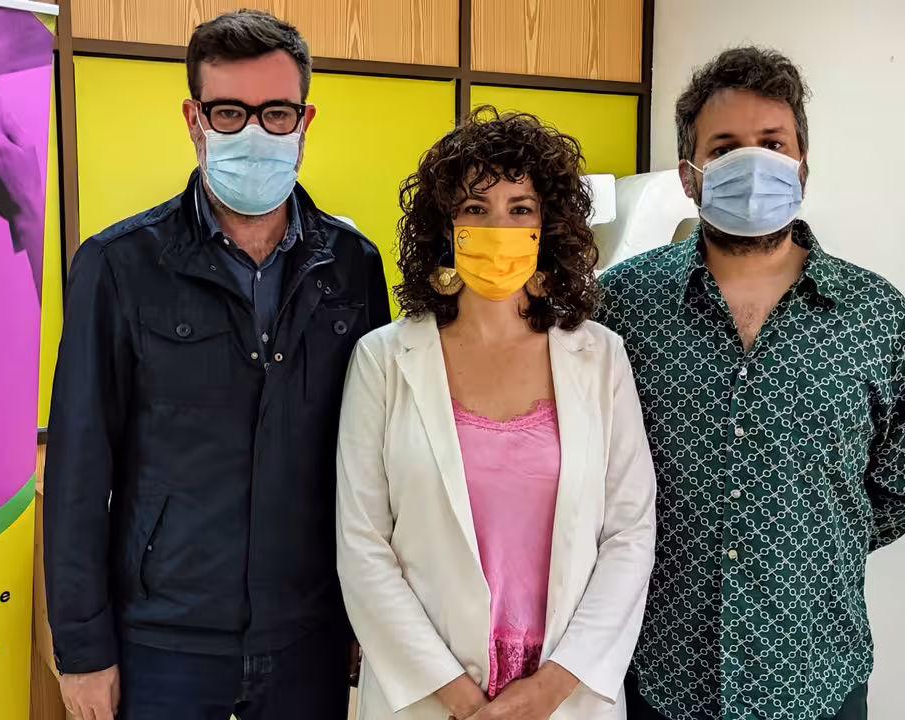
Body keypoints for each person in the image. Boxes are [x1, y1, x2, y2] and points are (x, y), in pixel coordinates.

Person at [43, 9, 391, 720]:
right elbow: (79, 468)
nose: (254, 133)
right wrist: (81, 649)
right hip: (163, 641)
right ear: (194, 120)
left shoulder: (353, 267)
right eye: (230, 112)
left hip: (309, 635)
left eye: (276, 112)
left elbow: (375, 458)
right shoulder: (118, 266)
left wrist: (367, 619)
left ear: (305, 121)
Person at [597, 47, 905, 720]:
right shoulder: (622, 306)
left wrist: (806, 540)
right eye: (726, 148)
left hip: (815, 676)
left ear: (802, 166)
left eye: (772, 144)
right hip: (660, 675)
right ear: (689, 176)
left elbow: (897, 485)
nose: (754, 163)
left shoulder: (876, 315)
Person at [336, 106, 656, 720]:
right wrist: (460, 698)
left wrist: (550, 688)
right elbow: (363, 545)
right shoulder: (384, 360)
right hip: (430, 698)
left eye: (521, 209)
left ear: (548, 226)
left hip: (563, 694)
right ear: (445, 226)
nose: (498, 227)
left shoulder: (600, 357)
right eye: (475, 208)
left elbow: (629, 533)